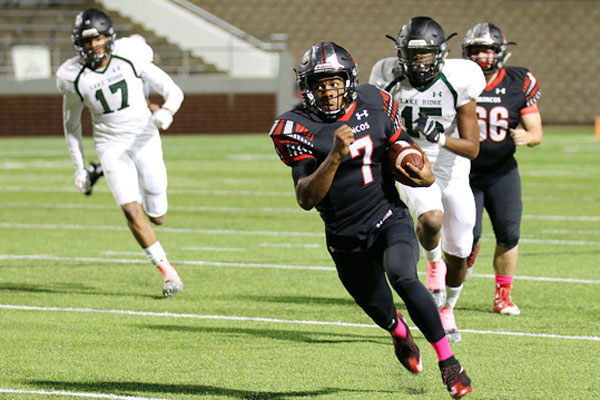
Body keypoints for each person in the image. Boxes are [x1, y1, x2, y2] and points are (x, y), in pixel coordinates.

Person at [270, 41, 472, 399]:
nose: (328, 91)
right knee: (381, 310)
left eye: (334, 82)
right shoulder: (295, 125)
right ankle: (399, 334)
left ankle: (450, 364)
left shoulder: (376, 102)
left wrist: (417, 166)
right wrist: (334, 155)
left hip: (387, 215)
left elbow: (401, 144)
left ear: (348, 80)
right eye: (320, 83)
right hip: (344, 235)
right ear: (306, 86)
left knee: (404, 277)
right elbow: (305, 197)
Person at [369, 16, 485, 342]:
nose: (419, 63)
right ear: (401, 53)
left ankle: (448, 308)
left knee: (461, 248)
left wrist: (440, 137)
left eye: (426, 55)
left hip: (453, 168)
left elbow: (473, 147)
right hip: (411, 165)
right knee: (431, 220)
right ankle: (433, 264)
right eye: (413, 55)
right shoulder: (386, 74)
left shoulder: (460, 78)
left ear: (440, 53)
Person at [56, 9, 184, 297]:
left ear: (108, 37)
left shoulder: (130, 55)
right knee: (129, 208)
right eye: (86, 41)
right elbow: (71, 126)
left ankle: (122, 178)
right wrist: (78, 167)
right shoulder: (73, 75)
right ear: (79, 44)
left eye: (98, 38)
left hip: (144, 137)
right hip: (109, 144)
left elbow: (173, 91)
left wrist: (166, 111)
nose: (93, 46)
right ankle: (168, 273)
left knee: (158, 215)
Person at [462, 22, 542, 315]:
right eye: (476, 50)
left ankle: (503, 296)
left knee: (509, 233)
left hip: (501, 171)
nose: (482, 56)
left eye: (487, 50)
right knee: (467, 235)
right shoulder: (457, 79)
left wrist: (527, 136)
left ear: (499, 52)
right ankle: (467, 256)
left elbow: (536, 132)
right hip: (464, 173)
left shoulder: (518, 80)